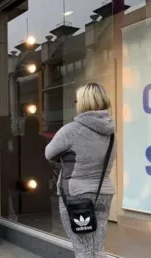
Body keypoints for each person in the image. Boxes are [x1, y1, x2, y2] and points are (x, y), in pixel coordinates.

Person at [45, 83, 116, 258]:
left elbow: (49, 153)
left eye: (76, 100)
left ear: (83, 102)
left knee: (83, 250)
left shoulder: (72, 130)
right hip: (104, 193)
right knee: (97, 249)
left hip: (77, 195)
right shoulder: (111, 131)